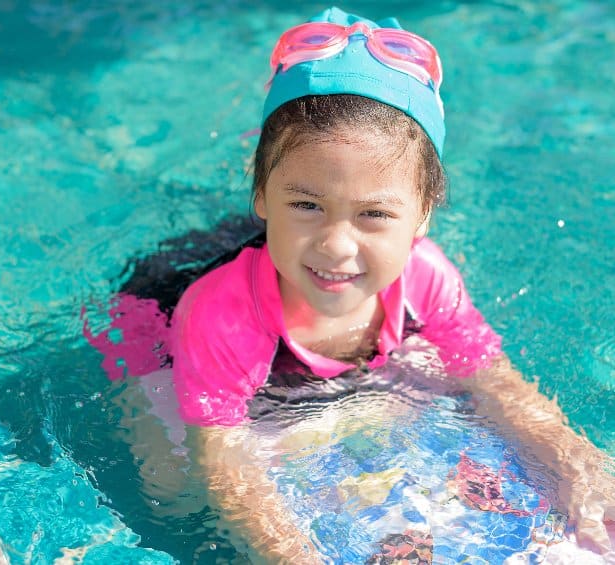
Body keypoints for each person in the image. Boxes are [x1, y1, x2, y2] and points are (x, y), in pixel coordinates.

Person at [164, 6, 615, 563]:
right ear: (259, 195)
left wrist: (577, 466)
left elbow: (494, 380)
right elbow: (226, 466)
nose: (336, 245)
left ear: (423, 216)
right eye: (306, 204)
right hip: (165, 301)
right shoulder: (218, 316)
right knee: (170, 488)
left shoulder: (427, 276)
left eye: (374, 215)